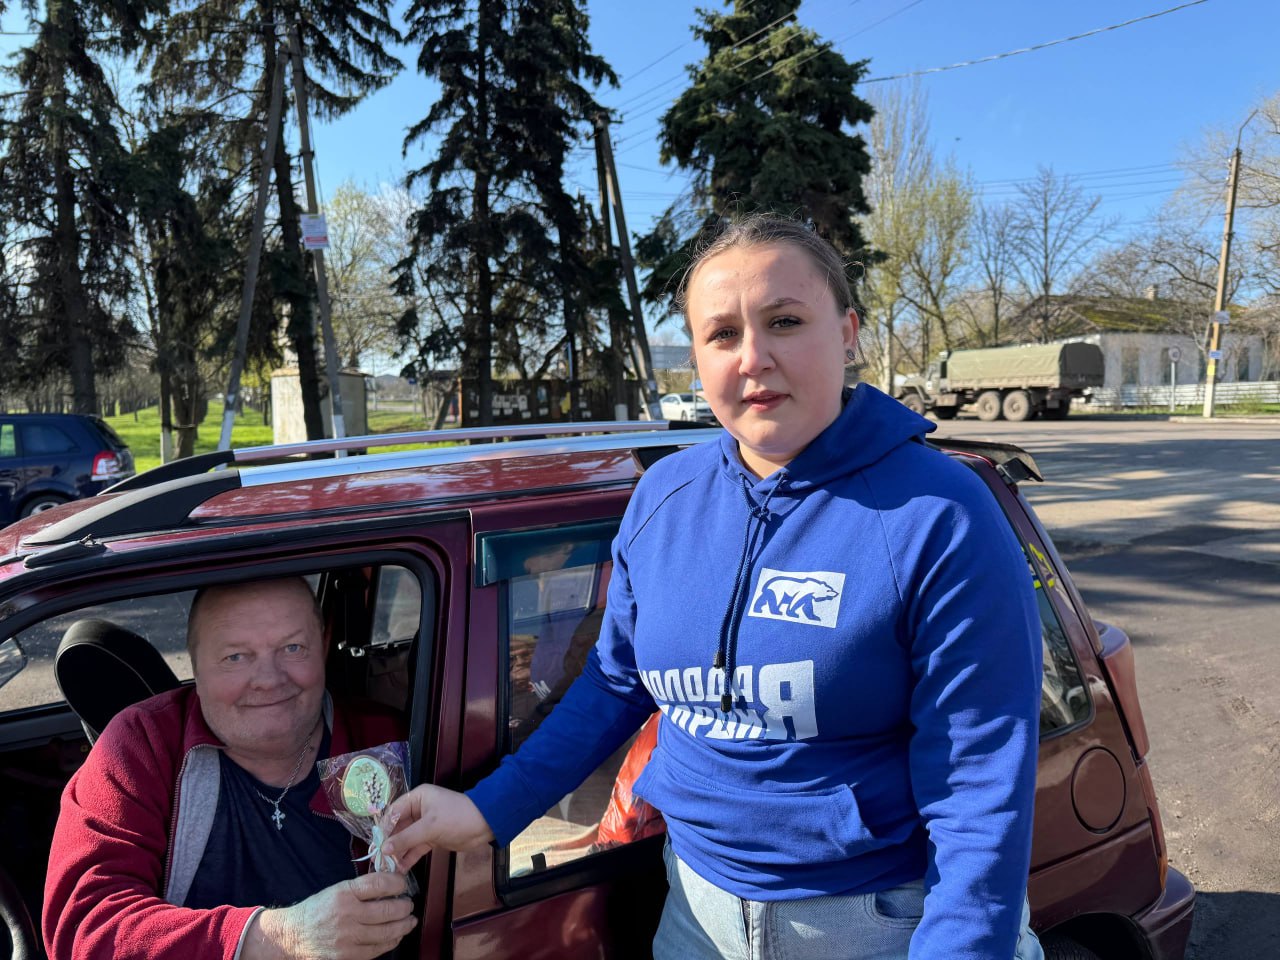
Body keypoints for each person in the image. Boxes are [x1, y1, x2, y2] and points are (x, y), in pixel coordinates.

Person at [383, 212, 1044, 959]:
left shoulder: (939, 513)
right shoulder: (663, 498)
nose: (754, 358)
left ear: (848, 332)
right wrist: (489, 809)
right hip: (695, 915)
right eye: (722, 334)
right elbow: (615, 683)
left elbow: (980, 781)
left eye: (785, 321)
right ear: (696, 358)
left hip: (879, 921)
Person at [43, 576, 418, 960]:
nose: (269, 680)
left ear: (322, 648)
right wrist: (281, 936)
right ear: (197, 668)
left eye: (293, 647)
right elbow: (84, 931)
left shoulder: (383, 740)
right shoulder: (142, 746)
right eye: (235, 657)